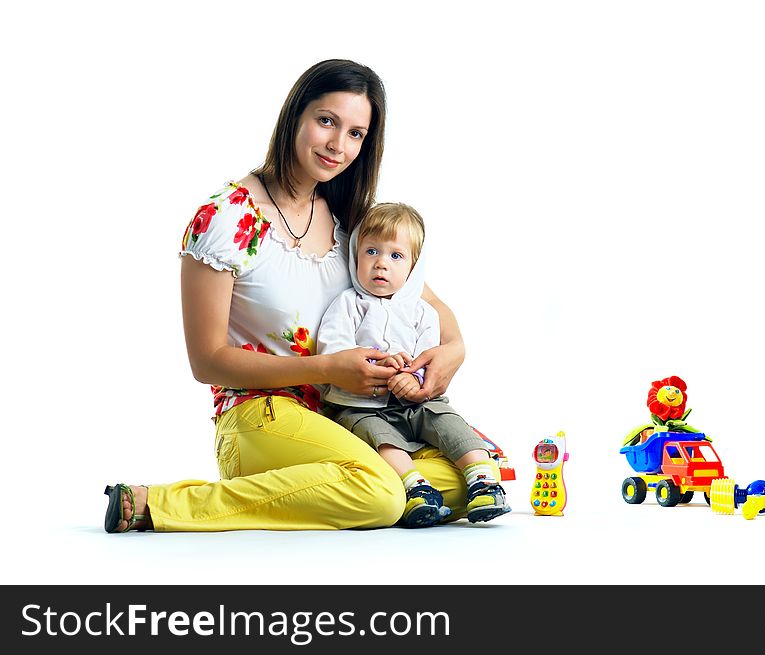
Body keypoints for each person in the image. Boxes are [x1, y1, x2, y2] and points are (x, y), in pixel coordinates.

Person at [103, 58, 498, 533]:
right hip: (259, 414)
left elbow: (425, 300)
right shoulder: (226, 218)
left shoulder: (350, 220)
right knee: (382, 493)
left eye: (356, 134)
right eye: (327, 121)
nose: (338, 145)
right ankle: (159, 504)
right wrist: (326, 369)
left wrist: (454, 350)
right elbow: (206, 361)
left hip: (348, 418)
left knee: (473, 474)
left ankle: (319, 487)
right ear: (295, 116)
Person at [317, 203, 511, 527]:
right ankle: (416, 489)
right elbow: (334, 348)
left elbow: (428, 353)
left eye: (396, 256)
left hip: (416, 401)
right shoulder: (348, 304)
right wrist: (376, 360)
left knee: (449, 421)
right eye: (371, 251)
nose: (381, 263)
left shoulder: (421, 311)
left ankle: (483, 481)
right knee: (377, 436)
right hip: (363, 405)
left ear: (413, 267)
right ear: (355, 256)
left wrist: (414, 377)